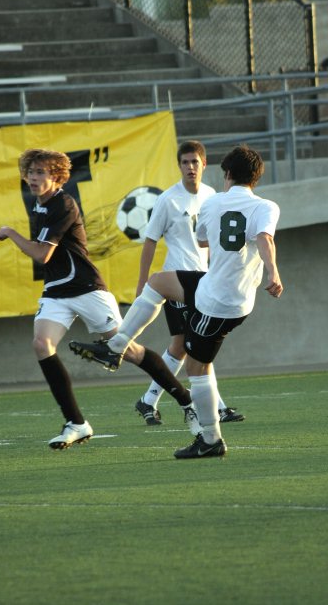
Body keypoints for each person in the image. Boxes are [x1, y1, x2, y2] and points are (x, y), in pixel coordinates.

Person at [70, 145, 283, 459]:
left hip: (218, 303)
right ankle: (116, 348)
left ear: (226, 174)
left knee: (197, 366)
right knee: (158, 282)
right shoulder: (267, 207)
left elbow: (202, 239)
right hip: (224, 292)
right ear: (256, 177)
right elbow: (264, 239)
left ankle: (210, 440)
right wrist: (273, 273)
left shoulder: (211, 202)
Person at [0, 148, 200, 450]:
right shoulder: (39, 205)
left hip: (87, 289)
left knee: (129, 351)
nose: (34, 178)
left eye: (42, 172)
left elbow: (42, 254)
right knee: (41, 344)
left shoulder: (63, 203)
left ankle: (187, 402)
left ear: (56, 176)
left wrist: (9, 232)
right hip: (56, 291)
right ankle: (76, 423)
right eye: (31, 172)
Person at [134, 139, 245, 426]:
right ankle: (217, 408)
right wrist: (143, 283)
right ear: (179, 166)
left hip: (204, 283)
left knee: (189, 346)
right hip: (177, 283)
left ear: (204, 164)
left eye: (195, 161)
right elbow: (149, 242)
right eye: (185, 162)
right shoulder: (168, 200)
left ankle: (148, 400)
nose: (190, 167)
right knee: (189, 345)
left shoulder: (212, 196)